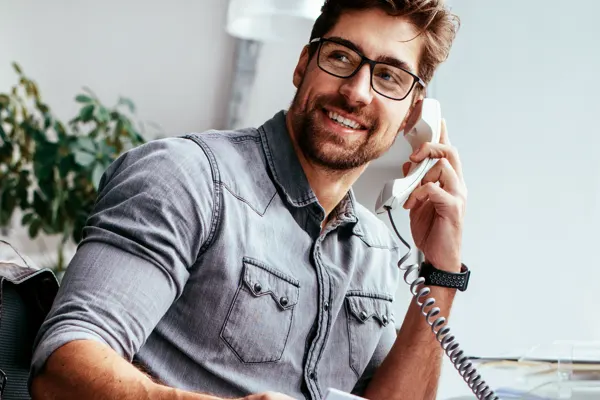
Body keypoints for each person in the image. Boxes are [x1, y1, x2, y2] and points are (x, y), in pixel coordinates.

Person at [29, 0, 466, 399]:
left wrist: (441, 272)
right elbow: (64, 365)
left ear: (413, 114)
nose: (356, 92)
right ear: (302, 65)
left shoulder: (376, 250)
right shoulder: (187, 176)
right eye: (341, 57)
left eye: (389, 76)